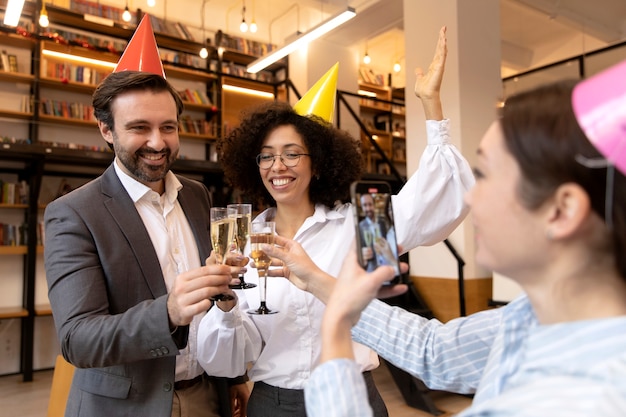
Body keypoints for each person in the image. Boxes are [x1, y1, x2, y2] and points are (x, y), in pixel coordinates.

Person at [263, 68, 626, 416]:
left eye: (488, 175)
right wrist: (328, 293)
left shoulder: (585, 393)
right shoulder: (525, 318)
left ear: (562, 210)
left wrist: (335, 325)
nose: (470, 198)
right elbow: (432, 350)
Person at [196, 26, 474, 417]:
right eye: (267, 156)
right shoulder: (243, 240)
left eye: (292, 154)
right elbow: (224, 361)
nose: (278, 166)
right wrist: (224, 304)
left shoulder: (363, 223)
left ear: (319, 163)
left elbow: (440, 198)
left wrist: (431, 106)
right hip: (274, 403)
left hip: (353, 399)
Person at [44, 16, 247, 417]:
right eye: (139, 127)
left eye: (167, 127)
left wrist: (232, 375)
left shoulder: (196, 195)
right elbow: (78, 339)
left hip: (208, 394)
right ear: (106, 129)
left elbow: (211, 298)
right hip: (127, 408)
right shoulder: (72, 213)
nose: (157, 142)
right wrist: (168, 312)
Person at [358, 193, 388, 271]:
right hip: (371, 270)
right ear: (362, 207)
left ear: (374, 205)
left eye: (370, 204)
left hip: (387, 266)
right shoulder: (360, 227)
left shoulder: (382, 223)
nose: (368, 208)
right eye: (365, 205)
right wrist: (362, 255)